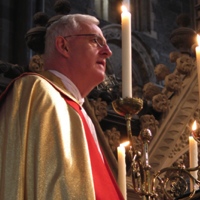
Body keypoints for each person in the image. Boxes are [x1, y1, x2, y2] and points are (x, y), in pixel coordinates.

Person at [0, 14, 124, 200]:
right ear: (63, 46)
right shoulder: (36, 91)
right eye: (96, 41)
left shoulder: (81, 111)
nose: (108, 51)